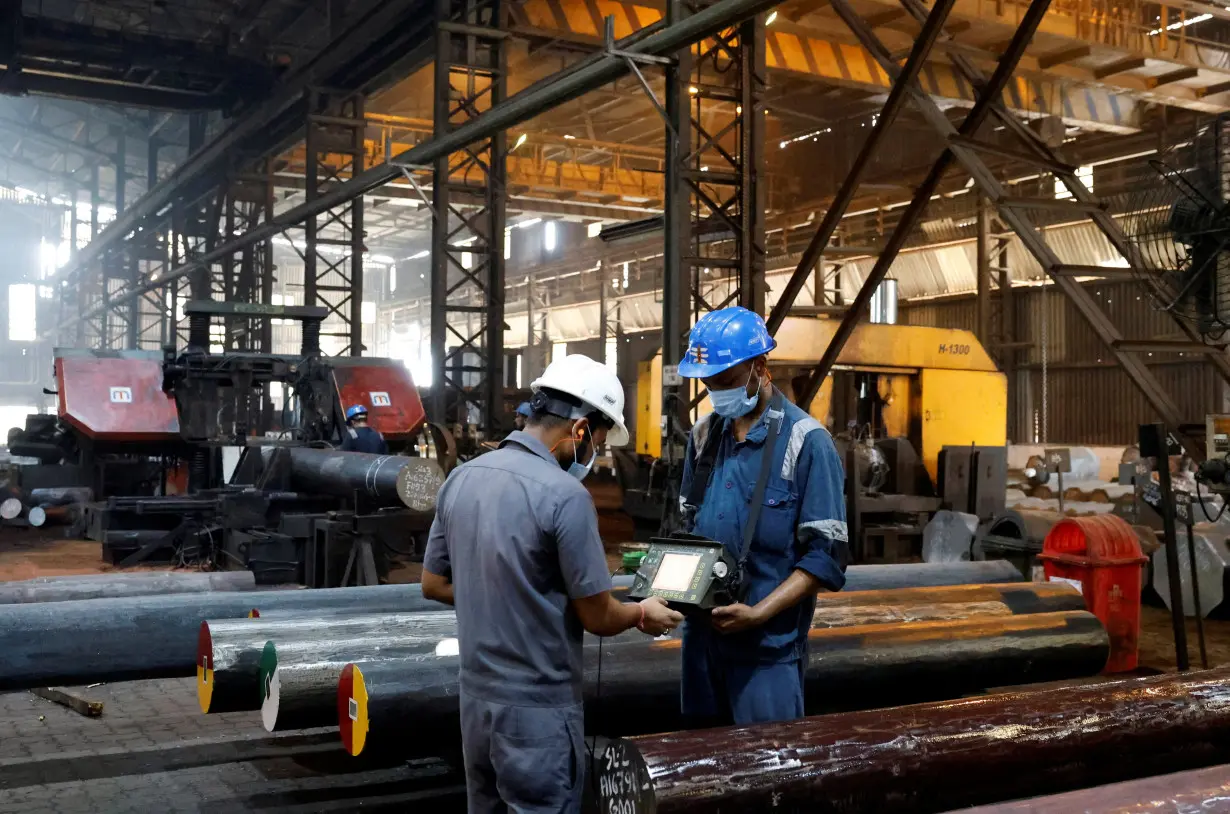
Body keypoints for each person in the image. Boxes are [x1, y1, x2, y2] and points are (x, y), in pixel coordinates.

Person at [421, 354, 683, 814]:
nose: (594, 454)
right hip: (536, 713)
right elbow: (598, 616)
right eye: (598, 441)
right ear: (580, 430)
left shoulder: (461, 478)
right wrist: (643, 612)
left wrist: (504, 595)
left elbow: (432, 583)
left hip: (476, 703)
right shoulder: (565, 496)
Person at [676, 306, 848, 727]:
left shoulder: (807, 443)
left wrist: (760, 612)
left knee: (768, 775)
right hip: (700, 649)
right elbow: (687, 530)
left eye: (727, 382)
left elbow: (825, 557)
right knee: (701, 775)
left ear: (760, 368)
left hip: (766, 656)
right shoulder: (703, 438)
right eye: (708, 384)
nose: (717, 393)